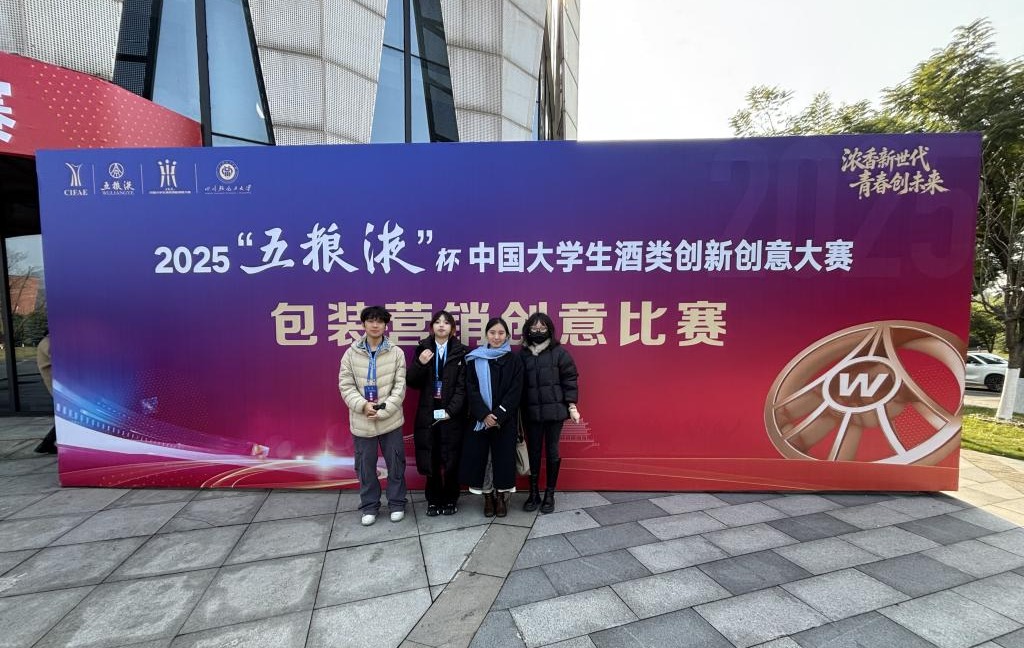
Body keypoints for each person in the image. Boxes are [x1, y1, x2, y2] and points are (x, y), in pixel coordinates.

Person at [338, 305, 408, 526]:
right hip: (362, 420)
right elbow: (346, 385)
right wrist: (362, 406)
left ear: (386, 325)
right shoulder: (351, 353)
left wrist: (383, 409)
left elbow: (400, 387)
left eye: (379, 321)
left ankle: (397, 503)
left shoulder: (396, 353)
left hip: (390, 419)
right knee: (365, 466)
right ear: (364, 324)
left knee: (395, 463)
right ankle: (369, 506)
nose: (375, 325)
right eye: (371, 321)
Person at [407, 310, 468, 516]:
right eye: (437, 322)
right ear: (432, 327)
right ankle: (433, 500)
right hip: (428, 413)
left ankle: (451, 499)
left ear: (452, 328)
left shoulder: (461, 352)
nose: (441, 325)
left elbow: (463, 388)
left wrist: (450, 411)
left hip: (452, 415)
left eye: (446, 322)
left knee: (451, 459)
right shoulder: (423, 349)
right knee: (430, 457)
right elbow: (412, 382)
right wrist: (420, 363)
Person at [461, 317, 523, 517]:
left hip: (505, 420)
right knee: (483, 459)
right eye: (492, 333)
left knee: (503, 460)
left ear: (507, 336)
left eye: (501, 333)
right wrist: (484, 414)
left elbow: (515, 391)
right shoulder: (474, 359)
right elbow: (470, 389)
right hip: (480, 420)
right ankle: (487, 497)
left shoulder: (514, 360)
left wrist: (497, 415)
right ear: (486, 335)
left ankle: (501, 496)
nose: (496, 337)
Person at [520, 313, 580, 514]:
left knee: (552, 451)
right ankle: (533, 493)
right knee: (533, 452)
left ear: (550, 330)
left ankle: (549, 494)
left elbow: (570, 379)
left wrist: (572, 406)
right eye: (534, 328)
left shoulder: (559, 353)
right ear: (528, 330)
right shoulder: (523, 355)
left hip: (555, 413)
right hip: (531, 413)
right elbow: (516, 385)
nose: (538, 331)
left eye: (542, 328)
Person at [34, 332, 57, 454]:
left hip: (57, 383)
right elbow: (59, 358)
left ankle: (46, 443)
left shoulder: (48, 341)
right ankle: (46, 443)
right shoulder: (47, 342)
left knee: (65, 417)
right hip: (56, 384)